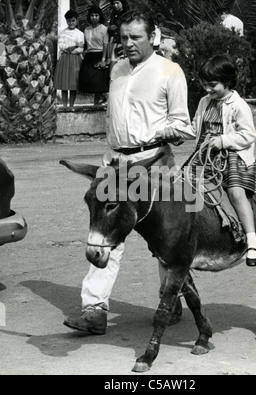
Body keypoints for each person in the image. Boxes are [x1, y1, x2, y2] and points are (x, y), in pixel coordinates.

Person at [63, 8, 195, 335]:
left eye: (136, 37)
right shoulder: (118, 69)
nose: (129, 43)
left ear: (153, 37)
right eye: (123, 37)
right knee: (107, 234)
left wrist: (171, 131)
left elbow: (183, 123)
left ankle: (172, 296)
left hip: (154, 164)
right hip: (116, 162)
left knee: (166, 237)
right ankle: (94, 310)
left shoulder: (170, 71)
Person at [189, 54, 256, 267]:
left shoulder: (238, 105)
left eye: (212, 85)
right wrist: (171, 132)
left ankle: (251, 241)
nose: (207, 90)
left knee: (235, 192)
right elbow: (195, 128)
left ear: (228, 82)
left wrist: (223, 141)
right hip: (204, 155)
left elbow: (249, 135)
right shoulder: (204, 102)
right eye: (204, 85)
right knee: (183, 187)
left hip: (231, 157)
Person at [79, 6, 109, 106]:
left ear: (100, 17)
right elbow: (85, 45)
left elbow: (105, 45)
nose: (94, 17)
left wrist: (104, 59)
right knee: (87, 80)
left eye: (96, 15)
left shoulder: (104, 29)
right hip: (89, 56)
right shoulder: (86, 29)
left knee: (98, 82)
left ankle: (99, 101)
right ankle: (101, 99)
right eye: (92, 15)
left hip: (100, 54)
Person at [54, 10, 84, 108]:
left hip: (75, 59)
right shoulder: (63, 33)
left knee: (72, 85)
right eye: (69, 21)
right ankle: (65, 106)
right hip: (65, 59)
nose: (71, 23)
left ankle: (71, 106)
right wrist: (74, 45)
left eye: (73, 20)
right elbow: (61, 45)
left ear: (76, 21)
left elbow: (81, 47)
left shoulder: (80, 33)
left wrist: (72, 49)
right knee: (64, 84)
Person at [106, 0, 130, 72]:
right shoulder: (113, 14)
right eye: (113, 3)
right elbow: (110, 31)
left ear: (122, 3)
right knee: (113, 67)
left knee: (124, 66)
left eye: (117, 3)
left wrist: (117, 27)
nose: (115, 5)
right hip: (114, 43)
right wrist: (110, 28)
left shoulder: (127, 14)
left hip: (123, 43)